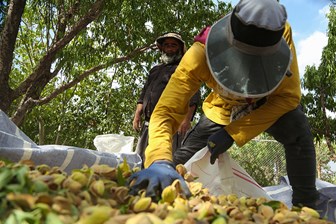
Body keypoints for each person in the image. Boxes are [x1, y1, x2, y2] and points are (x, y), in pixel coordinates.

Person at [129, 0, 320, 208]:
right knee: (181, 158)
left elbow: (289, 97)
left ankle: (307, 205)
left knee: (297, 128)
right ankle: (162, 187)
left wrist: (233, 133)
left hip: (267, 104)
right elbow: (165, 111)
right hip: (224, 105)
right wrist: (159, 159)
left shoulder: (280, 32)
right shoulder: (199, 54)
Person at [132, 32, 200, 167]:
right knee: (141, 161)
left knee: (165, 161)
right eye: (166, 45)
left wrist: (186, 120)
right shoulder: (155, 70)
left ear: (180, 49)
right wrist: (137, 114)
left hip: (170, 126)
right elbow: (144, 93)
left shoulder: (184, 69)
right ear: (162, 48)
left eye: (173, 45)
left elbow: (192, 97)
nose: (169, 48)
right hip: (149, 124)